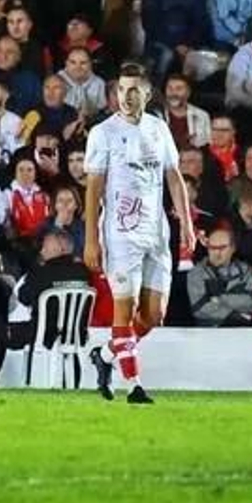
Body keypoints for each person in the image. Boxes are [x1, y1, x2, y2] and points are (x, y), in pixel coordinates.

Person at [84, 63, 194, 404]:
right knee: (124, 310)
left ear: (146, 93)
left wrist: (186, 223)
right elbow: (93, 189)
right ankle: (134, 386)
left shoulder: (158, 129)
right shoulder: (102, 133)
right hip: (120, 233)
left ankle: (104, 355)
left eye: (134, 90)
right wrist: (90, 238)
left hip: (157, 231)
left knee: (153, 316)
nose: (126, 97)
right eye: (121, 90)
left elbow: (173, 176)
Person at [0, 225, 90, 387]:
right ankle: (73, 384)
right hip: (76, 333)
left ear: (62, 247)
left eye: (46, 245)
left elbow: (24, 296)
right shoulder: (83, 272)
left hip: (42, 333)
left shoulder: (42, 271)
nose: (42, 250)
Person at [183, 226, 252, 327]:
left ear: (233, 248)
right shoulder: (196, 273)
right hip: (207, 332)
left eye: (222, 248)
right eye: (212, 247)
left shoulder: (245, 270)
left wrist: (219, 298)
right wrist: (234, 314)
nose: (216, 252)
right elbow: (199, 308)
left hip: (241, 333)